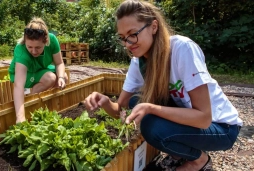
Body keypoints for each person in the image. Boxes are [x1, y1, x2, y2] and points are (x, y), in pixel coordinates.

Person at [84, 1, 242, 171]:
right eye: (123, 38)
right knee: (135, 102)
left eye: (133, 34)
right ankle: (180, 155)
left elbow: (204, 119)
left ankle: (199, 161)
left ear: (153, 26)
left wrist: (151, 108)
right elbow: (120, 110)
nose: (128, 43)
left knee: (152, 126)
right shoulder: (139, 61)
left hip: (221, 127)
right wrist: (105, 101)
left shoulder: (182, 49)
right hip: (194, 122)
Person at [9, 17, 68, 123]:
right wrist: (20, 117)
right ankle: (31, 105)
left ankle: (48, 108)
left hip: (40, 69)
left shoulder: (52, 40)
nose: (34, 51)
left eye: (38, 47)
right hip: (26, 73)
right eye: (30, 47)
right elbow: (18, 85)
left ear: (45, 42)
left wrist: (61, 77)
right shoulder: (21, 50)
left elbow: (59, 63)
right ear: (25, 41)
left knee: (64, 77)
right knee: (49, 78)